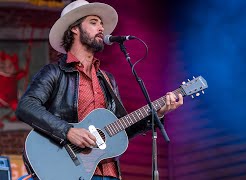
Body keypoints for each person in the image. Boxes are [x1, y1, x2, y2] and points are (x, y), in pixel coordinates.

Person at [15, 0, 183, 180]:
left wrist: (157, 113)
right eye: (94, 22)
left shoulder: (107, 79)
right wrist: (67, 131)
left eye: (102, 23)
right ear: (74, 28)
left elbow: (121, 129)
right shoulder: (54, 73)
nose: (101, 28)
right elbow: (26, 106)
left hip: (108, 172)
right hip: (71, 172)